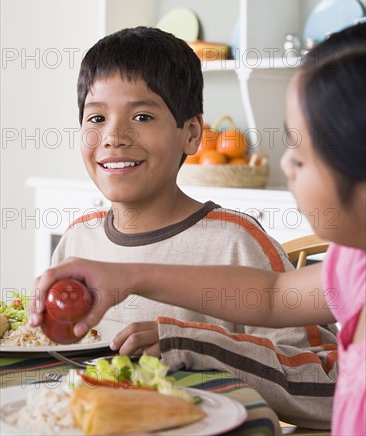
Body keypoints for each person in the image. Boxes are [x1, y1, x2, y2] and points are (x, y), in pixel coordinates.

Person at [37, 26, 341, 428]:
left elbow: (326, 383)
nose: (113, 137)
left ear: (192, 133)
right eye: (96, 117)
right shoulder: (77, 241)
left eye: (142, 116)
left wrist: (199, 345)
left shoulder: (236, 242)